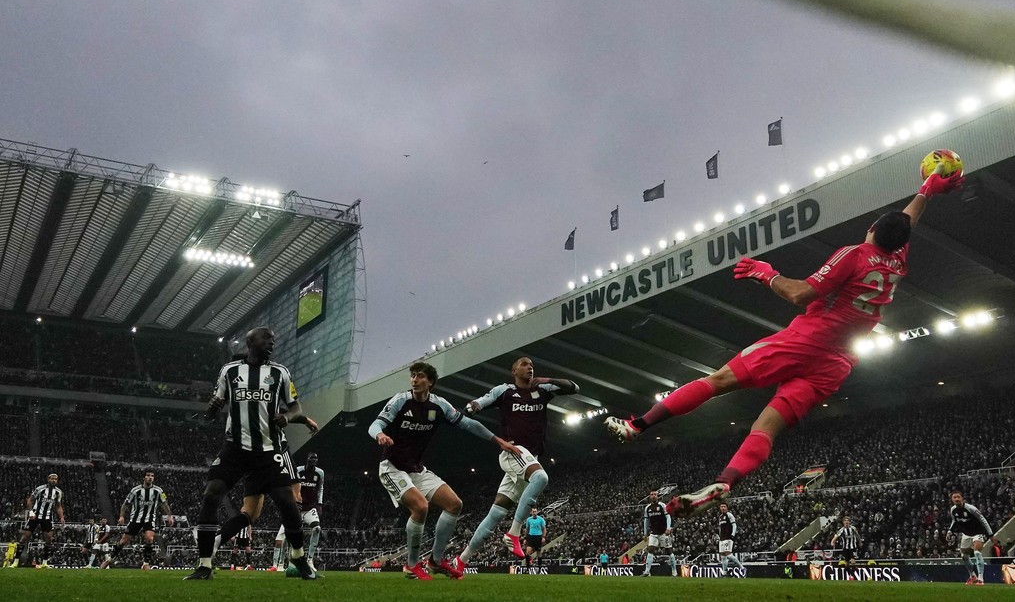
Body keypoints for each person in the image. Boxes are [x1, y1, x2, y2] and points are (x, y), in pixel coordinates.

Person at [606, 166, 966, 515]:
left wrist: (766, 273)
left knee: (718, 381)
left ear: (871, 228)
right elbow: (906, 221)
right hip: (836, 365)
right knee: (766, 427)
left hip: (805, 342)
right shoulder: (898, 260)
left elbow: (800, 293)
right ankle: (725, 482)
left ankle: (638, 426)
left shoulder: (855, 254)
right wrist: (927, 190)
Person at [184, 327, 316, 580]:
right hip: (235, 448)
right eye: (267, 339)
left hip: (268, 450)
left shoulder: (280, 372)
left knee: (287, 502)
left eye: (273, 340)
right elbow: (215, 404)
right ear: (250, 342)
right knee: (211, 494)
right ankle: (204, 565)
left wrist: (287, 417)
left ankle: (298, 556)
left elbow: (295, 407)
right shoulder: (229, 371)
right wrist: (211, 409)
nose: (272, 343)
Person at [369, 361, 523, 580]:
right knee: (421, 507)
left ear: (430, 381)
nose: (414, 380)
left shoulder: (439, 405)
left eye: (420, 376)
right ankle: (411, 565)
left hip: (416, 469)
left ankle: (436, 560)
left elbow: (468, 424)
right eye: (413, 376)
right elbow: (374, 425)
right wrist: (380, 434)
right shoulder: (400, 401)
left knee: (454, 504)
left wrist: (499, 441)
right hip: (391, 467)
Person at [456, 357, 579, 565]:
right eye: (524, 364)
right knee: (540, 478)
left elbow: (574, 388)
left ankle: (461, 561)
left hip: (529, 458)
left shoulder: (543, 389)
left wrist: (548, 379)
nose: (530, 367)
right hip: (513, 451)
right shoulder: (505, 391)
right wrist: (472, 407)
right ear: (514, 371)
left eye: (531, 365)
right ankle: (513, 533)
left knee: (495, 513)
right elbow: (481, 401)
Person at [101, 471, 174, 570]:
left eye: (152, 476)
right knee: (123, 541)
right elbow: (125, 504)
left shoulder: (159, 491)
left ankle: (146, 563)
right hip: (135, 519)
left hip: (149, 519)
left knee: (149, 538)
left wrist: (169, 516)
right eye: (148, 475)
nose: (150, 477)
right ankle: (109, 559)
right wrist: (121, 516)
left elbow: (164, 503)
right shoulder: (135, 490)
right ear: (144, 478)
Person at [9, 472, 65, 567]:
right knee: (24, 537)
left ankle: (45, 563)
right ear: (48, 479)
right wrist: (31, 512)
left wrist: (61, 517)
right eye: (52, 479)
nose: (53, 480)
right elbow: (30, 500)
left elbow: (58, 506)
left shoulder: (58, 492)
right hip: (35, 515)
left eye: (55, 479)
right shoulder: (40, 489)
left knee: (49, 539)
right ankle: (15, 561)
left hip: (47, 517)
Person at [948, 490, 995, 585]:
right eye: (954, 497)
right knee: (964, 556)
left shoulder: (971, 508)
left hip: (978, 532)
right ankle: (972, 576)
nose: (956, 499)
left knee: (977, 552)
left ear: (962, 498)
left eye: (958, 497)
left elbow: (983, 520)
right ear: (952, 499)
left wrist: (990, 535)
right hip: (966, 534)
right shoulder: (953, 510)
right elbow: (954, 520)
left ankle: (980, 578)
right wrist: (950, 531)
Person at [642, 490, 676, 577]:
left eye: (655, 494)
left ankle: (674, 571)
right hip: (653, 533)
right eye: (652, 494)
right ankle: (647, 572)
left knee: (669, 551)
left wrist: (668, 528)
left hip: (663, 533)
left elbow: (668, 517)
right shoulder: (647, 508)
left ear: (657, 496)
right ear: (649, 496)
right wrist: (645, 533)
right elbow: (646, 521)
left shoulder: (662, 505)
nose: (653, 496)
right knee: (650, 550)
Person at [717, 503, 743, 577]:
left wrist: (733, 534)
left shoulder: (729, 515)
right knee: (723, 557)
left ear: (727, 508)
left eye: (724, 506)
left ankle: (742, 567)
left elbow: (734, 525)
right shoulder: (720, 517)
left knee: (728, 554)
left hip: (728, 537)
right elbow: (720, 528)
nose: (723, 508)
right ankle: (724, 573)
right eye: (721, 506)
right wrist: (719, 536)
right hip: (722, 538)